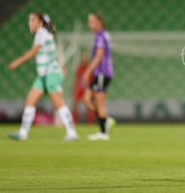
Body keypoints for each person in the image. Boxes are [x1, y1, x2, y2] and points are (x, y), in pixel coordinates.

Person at [8, 12, 78, 141]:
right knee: (30, 101)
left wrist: (17, 62)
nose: (30, 23)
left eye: (32, 20)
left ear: (40, 22)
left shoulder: (41, 34)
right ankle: (23, 133)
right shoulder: (47, 34)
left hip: (51, 74)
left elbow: (33, 52)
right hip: (43, 75)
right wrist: (60, 64)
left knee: (58, 103)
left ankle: (72, 132)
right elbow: (51, 53)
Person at [82, 13, 115, 141]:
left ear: (99, 22)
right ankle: (106, 120)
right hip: (100, 73)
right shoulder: (101, 35)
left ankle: (103, 132)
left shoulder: (101, 36)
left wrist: (87, 71)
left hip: (102, 73)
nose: (89, 24)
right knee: (86, 99)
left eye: (92, 22)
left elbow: (99, 56)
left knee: (99, 103)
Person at [71, 52, 95, 124]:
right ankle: (74, 122)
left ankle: (90, 122)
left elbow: (93, 79)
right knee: (75, 105)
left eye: (86, 57)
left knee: (89, 106)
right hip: (79, 89)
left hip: (88, 89)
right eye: (83, 57)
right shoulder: (79, 68)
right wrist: (74, 88)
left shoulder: (91, 68)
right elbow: (76, 79)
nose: (84, 59)